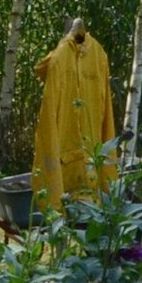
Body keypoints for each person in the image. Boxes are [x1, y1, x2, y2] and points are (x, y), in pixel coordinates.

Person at [32, 17, 117, 208]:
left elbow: (107, 116)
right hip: (63, 151)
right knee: (60, 198)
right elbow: (41, 70)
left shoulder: (99, 56)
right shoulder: (60, 57)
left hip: (91, 153)